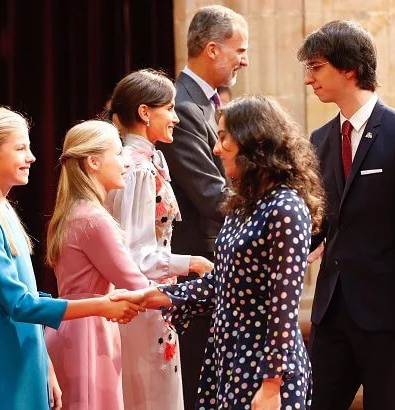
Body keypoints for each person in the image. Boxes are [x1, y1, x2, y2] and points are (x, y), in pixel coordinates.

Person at [113, 95, 324, 409]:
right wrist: (156, 296)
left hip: (263, 363)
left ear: (253, 141)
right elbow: (221, 284)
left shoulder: (286, 207)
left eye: (223, 138)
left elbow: (284, 306)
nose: (215, 148)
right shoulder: (244, 204)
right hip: (228, 354)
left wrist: (271, 384)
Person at [0, 107, 143, 410]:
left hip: (25, 348)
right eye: (21, 148)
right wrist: (101, 305)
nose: (32, 157)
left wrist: (46, 364)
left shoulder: (2, 209)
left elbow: (27, 297)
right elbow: (19, 304)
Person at [297, 20, 395, 409]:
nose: (309, 79)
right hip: (331, 312)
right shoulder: (320, 139)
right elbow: (325, 221)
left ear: (348, 69)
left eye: (316, 67)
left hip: (388, 315)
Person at [105, 69, 214, 409]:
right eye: (169, 108)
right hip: (141, 296)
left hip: (157, 295)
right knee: (150, 395)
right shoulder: (135, 167)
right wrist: (191, 263)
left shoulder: (152, 160)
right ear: (144, 112)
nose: (176, 118)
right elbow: (134, 254)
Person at [158, 5, 249, 406]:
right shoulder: (183, 107)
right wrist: (271, 213)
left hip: (216, 262)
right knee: (200, 382)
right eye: (239, 49)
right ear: (212, 49)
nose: (244, 59)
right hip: (199, 262)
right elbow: (211, 194)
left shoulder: (208, 103)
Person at [43, 120, 155, 409]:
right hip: (87, 336)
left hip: (67, 328)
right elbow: (135, 282)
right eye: (118, 154)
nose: (125, 162)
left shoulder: (70, 213)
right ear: (93, 162)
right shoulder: (94, 219)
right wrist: (190, 295)